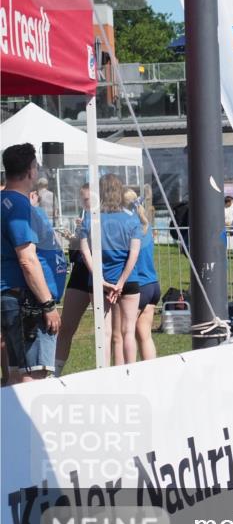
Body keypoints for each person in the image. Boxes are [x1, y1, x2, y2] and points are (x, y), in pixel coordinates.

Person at [1, 144, 64, 384]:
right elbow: (27, 260)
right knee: (34, 374)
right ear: (31, 171)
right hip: (26, 300)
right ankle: (30, 423)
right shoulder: (17, 206)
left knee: (17, 373)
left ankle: (11, 422)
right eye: (35, 166)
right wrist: (48, 304)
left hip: (12, 297)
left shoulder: (5, 201)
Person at [80, 174, 142, 366]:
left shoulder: (90, 219)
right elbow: (134, 254)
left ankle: (103, 373)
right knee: (128, 330)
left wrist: (99, 279)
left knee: (104, 332)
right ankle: (131, 372)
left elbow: (84, 251)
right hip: (128, 280)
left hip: (99, 282)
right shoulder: (131, 220)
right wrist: (121, 282)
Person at [54, 183, 92, 377]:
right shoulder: (84, 217)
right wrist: (74, 238)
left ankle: (115, 371)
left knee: (111, 331)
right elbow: (80, 248)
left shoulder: (105, 218)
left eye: (86, 199)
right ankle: (55, 373)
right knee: (66, 326)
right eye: (82, 199)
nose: (83, 203)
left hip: (99, 273)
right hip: (79, 272)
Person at [123, 190, 161, 361]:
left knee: (126, 333)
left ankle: (127, 372)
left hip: (138, 285)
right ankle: (152, 373)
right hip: (153, 285)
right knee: (144, 335)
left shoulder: (127, 227)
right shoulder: (146, 225)